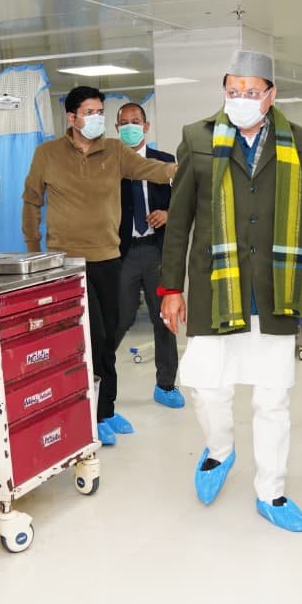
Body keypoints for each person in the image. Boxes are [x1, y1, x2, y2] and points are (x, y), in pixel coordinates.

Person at [159, 50, 302, 533]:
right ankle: (220, 450)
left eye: (251, 91)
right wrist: (171, 286)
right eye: (233, 91)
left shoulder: (298, 141)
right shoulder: (196, 138)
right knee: (206, 386)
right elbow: (179, 220)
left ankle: (271, 490)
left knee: (272, 398)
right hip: (215, 285)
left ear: (271, 94)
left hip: (275, 287)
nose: (240, 98)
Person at [21, 85, 176, 447]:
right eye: (89, 113)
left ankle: (106, 409)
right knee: (87, 339)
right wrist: (33, 250)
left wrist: (182, 169)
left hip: (108, 258)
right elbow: (31, 200)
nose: (96, 119)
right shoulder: (47, 154)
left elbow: (151, 169)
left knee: (107, 340)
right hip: (67, 263)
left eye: (100, 112)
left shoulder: (115, 151)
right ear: (71, 117)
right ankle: (89, 413)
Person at [112, 101, 184, 410]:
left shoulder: (165, 161)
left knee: (163, 317)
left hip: (157, 250)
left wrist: (168, 213)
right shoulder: (111, 163)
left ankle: (165, 385)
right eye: (124, 122)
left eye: (136, 121)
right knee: (120, 317)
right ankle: (97, 379)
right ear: (117, 129)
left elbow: (184, 201)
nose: (130, 126)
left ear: (146, 126)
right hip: (124, 252)